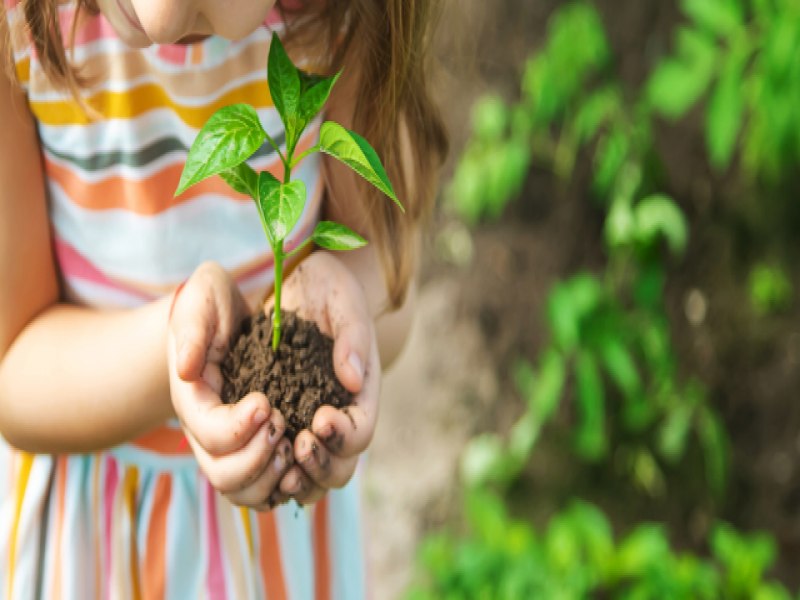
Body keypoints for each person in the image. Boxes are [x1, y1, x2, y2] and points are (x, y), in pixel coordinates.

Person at [0, 0, 447, 597]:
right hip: (94, 534)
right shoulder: (16, 28)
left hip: (279, 546)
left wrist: (352, 313)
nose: (157, 21)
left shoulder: (342, 16)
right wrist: (177, 352)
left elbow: (389, 288)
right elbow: (11, 369)